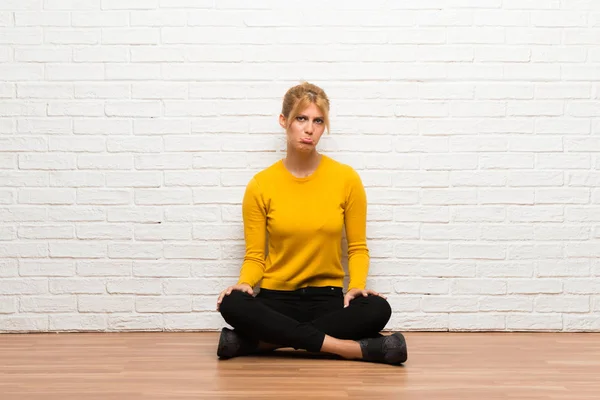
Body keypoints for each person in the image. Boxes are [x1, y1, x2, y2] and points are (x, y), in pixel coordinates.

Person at [215, 82, 407, 365]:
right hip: (275, 302)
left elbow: (357, 248)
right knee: (232, 302)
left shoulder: (345, 179)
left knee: (377, 308)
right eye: (301, 119)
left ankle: (265, 342)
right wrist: (245, 283)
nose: (309, 129)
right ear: (284, 121)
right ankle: (352, 349)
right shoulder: (260, 185)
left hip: (327, 302)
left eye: (318, 121)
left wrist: (356, 285)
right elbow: (256, 255)